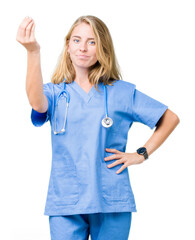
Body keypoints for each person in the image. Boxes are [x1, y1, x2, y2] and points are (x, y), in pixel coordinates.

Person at [16, 15, 180, 240]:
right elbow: (36, 102)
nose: (83, 48)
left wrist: (141, 154)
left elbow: (169, 118)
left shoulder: (122, 92)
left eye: (92, 42)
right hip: (66, 202)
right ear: (67, 46)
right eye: (76, 40)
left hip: (112, 199)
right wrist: (33, 52)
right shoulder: (55, 93)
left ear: (103, 48)